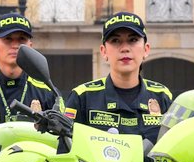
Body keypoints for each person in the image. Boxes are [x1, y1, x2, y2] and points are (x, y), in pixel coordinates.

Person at [65, 11, 173, 141]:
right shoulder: (83, 97)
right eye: (115, 41)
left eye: (133, 40)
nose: (125, 48)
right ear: (103, 51)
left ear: (146, 49)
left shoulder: (162, 96)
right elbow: (66, 152)